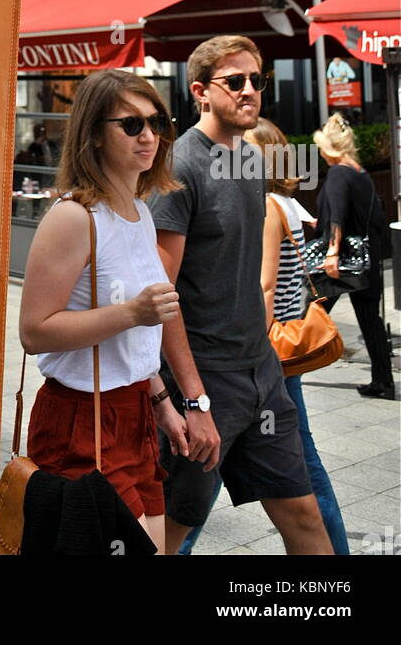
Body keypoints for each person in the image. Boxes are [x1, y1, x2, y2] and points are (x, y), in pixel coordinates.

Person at [148, 34, 333, 555]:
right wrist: (193, 399)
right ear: (201, 92)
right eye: (235, 81)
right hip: (206, 379)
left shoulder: (249, 159)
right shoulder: (179, 167)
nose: (250, 90)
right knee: (173, 532)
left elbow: (250, 271)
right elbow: (162, 296)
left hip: (261, 374)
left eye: (257, 80)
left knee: (303, 514)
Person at [19, 70, 188, 554]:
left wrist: (162, 402)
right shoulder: (73, 216)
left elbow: (133, 344)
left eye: (157, 121)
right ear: (94, 132)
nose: (149, 136)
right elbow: (34, 332)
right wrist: (132, 312)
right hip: (80, 417)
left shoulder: (139, 210)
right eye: (131, 125)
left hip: (134, 412)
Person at [253, 117, 350, 555]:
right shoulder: (284, 203)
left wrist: (254, 347)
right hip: (278, 350)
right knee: (302, 461)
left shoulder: (268, 206)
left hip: (270, 350)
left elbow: (265, 286)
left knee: (304, 465)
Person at [313, 113, 395, 400]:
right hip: (366, 260)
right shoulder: (360, 172)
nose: (321, 154)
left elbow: (337, 214)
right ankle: (383, 382)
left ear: (329, 149)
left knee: (310, 311)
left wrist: (332, 253)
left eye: (321, 148)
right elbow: (358, 216)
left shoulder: (337, 173)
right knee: (371, 321)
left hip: (342, 264)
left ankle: (289, 363)